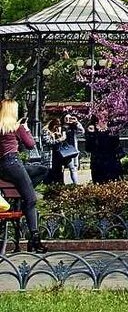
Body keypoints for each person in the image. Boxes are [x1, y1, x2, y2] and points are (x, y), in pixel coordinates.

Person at [0, 100, 46, 253]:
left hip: (3, 167)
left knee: (40, 170)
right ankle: (35, 239)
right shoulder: (16, 127)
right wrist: (26, 129)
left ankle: (24, 190)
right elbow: (31, 144)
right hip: (14, 163)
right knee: (31, 199)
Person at [86, 111, 124, 184]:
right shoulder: (91, 127)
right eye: (101, 110)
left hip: (112, 161)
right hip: (98, 162)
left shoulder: (112, 126)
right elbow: (88, 148)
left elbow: (116, 144)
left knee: (114, 184)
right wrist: (91, 134)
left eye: (106, 110)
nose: (104, 112)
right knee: (99, 186)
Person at [41, 118, 66, 184]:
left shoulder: (56, 130)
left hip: (57, 154)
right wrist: (60, 139)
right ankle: (48, 184)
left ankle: (57, 184)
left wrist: (58, 135)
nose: (57, 127)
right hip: (49, 154)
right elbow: (48, 142)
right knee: (49, 172)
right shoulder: (45, 130)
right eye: (56, 126)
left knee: (58, 172)